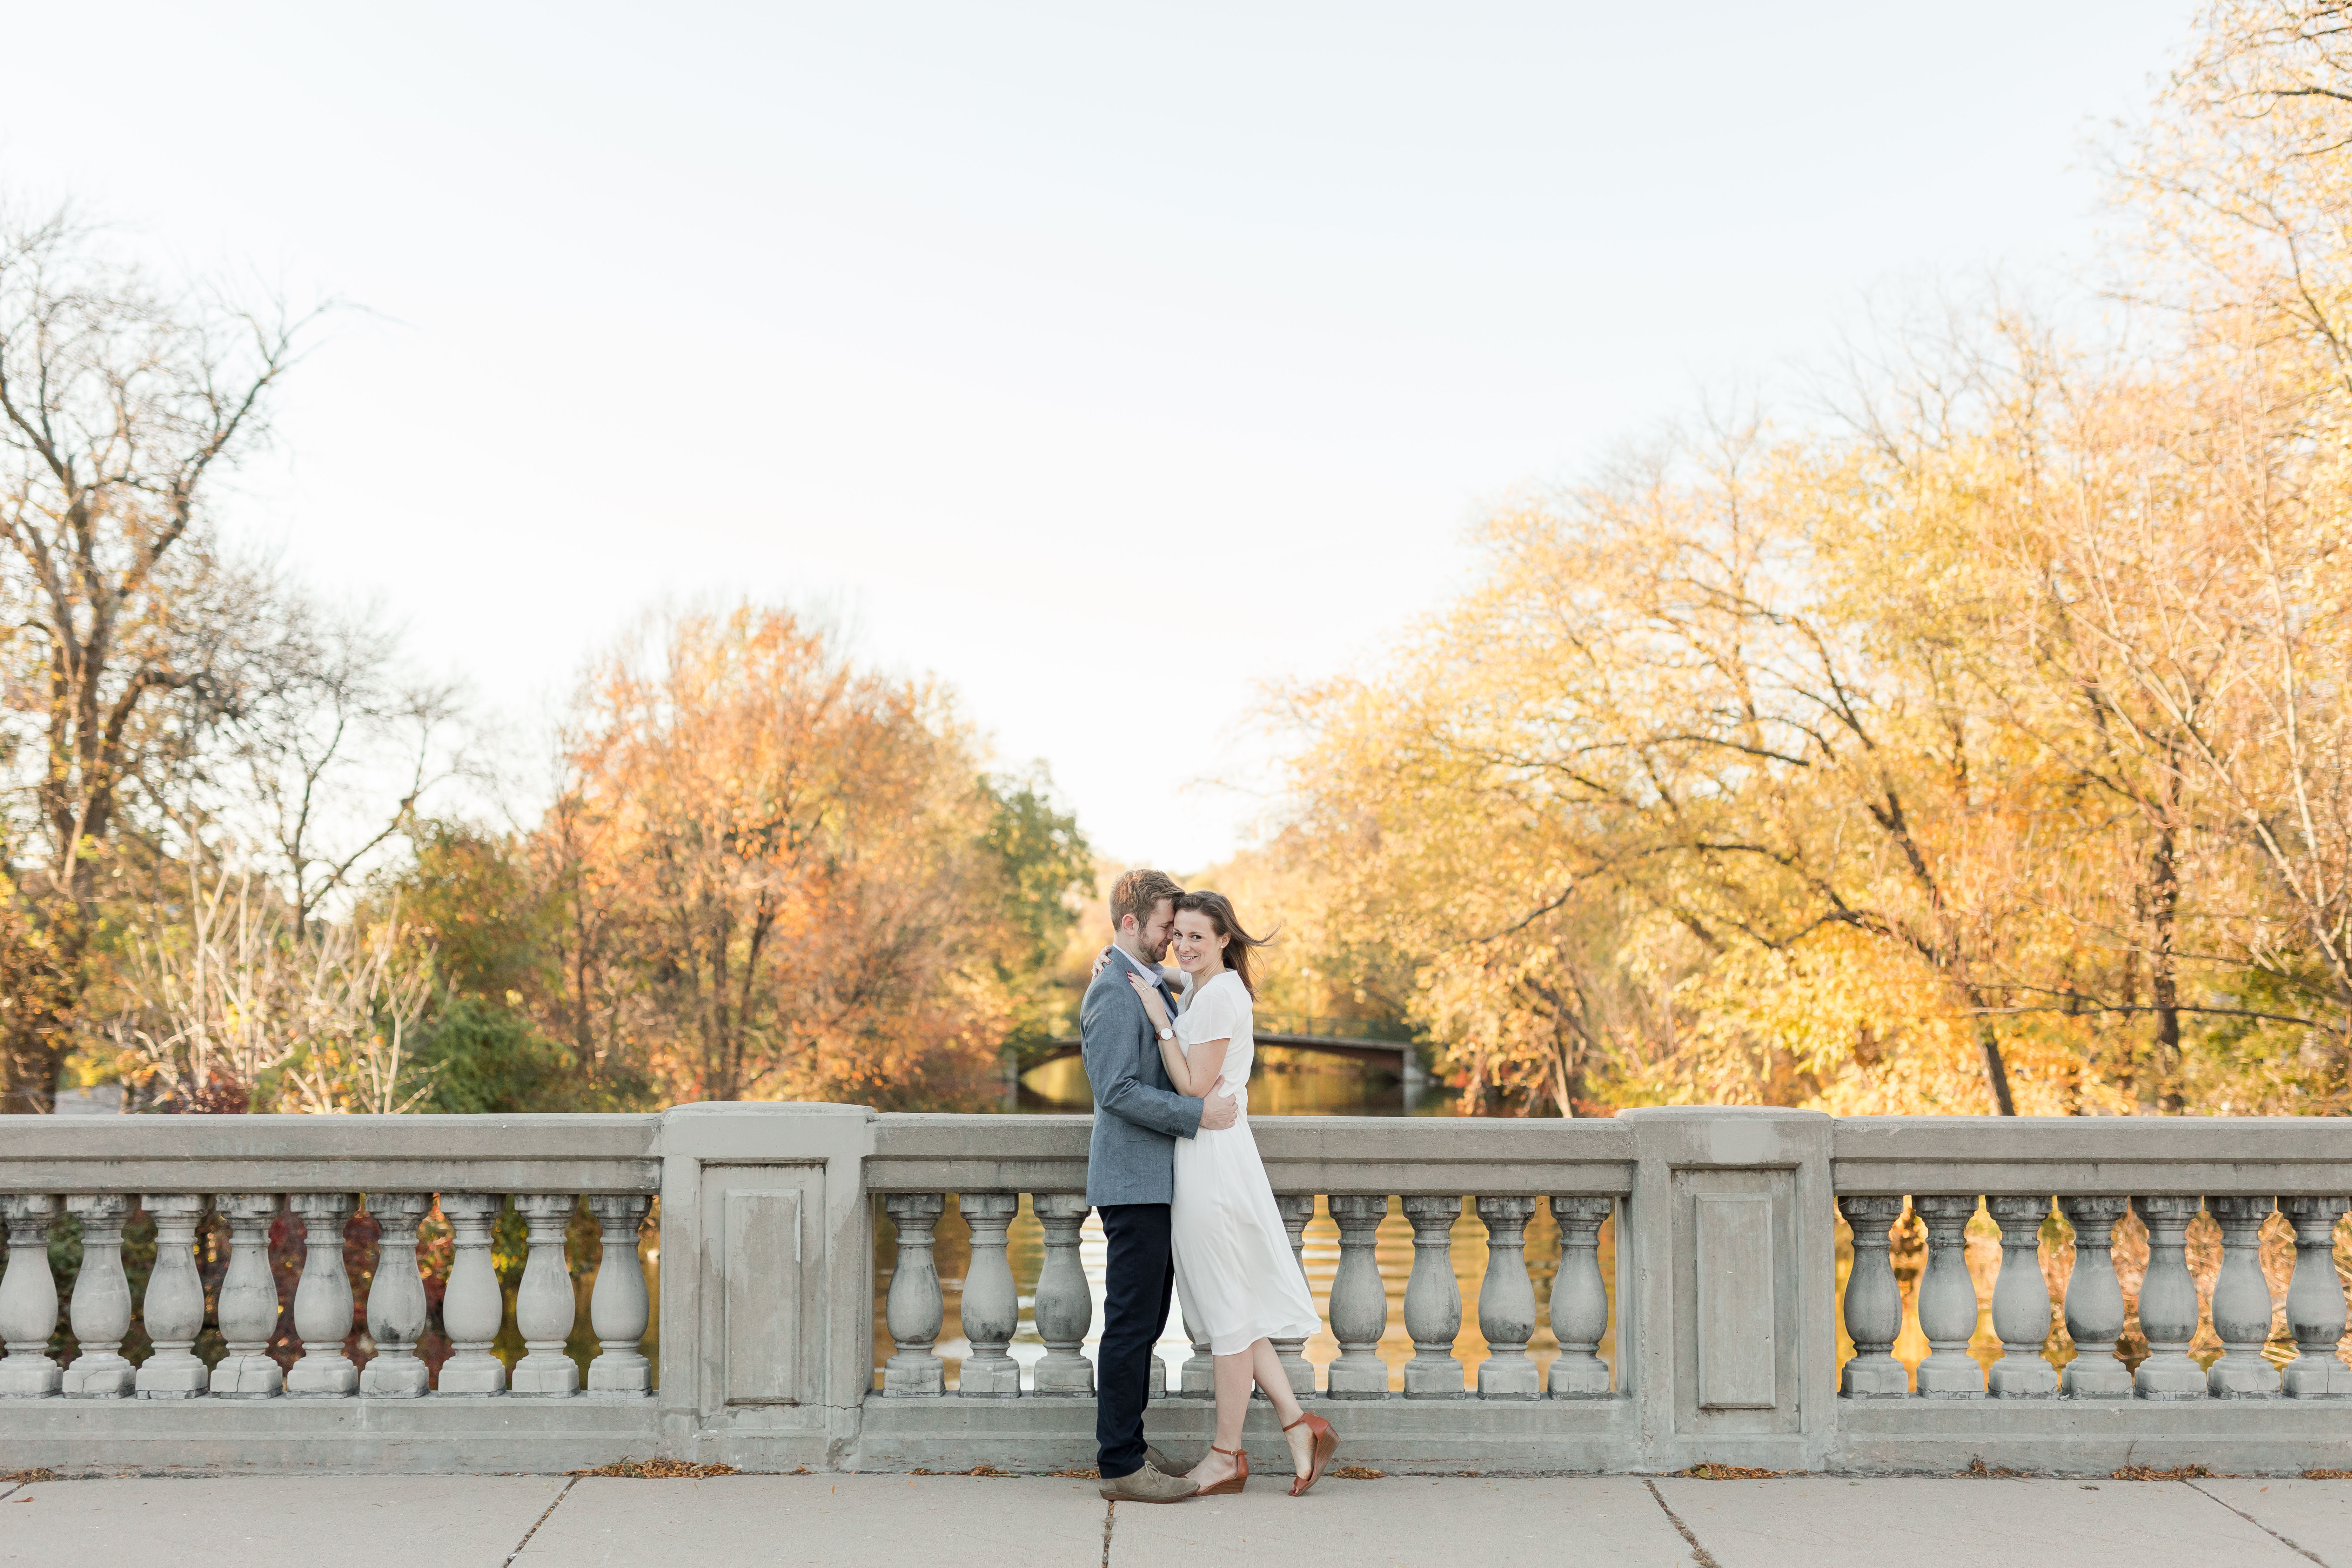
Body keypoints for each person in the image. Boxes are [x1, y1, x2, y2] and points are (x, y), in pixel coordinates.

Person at [1126, 890, 1340, 1499]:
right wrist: (1134, 968)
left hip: (1213, 1165)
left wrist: (1156, 1014)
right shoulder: (1205, 985)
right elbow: (1179, 976)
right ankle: (1301, 1424)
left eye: (1199, 936)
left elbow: (1194, 1085)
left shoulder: (1218, 996)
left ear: (1225, 939)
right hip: (1208, 1157)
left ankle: (1226, 1455)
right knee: (1236, 1312)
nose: (1185, 946)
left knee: (1225, 1315)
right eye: (1180, 935)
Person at [1083, 870, 1239, 1505]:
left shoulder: (1138, 978)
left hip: (1154, 1181)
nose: (1173, 938)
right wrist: (1195, 1115)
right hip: (1132, 1182)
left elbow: (1185, 992)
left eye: (1180, 929)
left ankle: (1131, 1442)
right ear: (1130, 924)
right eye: (1164, 927)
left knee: (1144, 1322)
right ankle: (1119, 1462)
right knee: (1128, 1324)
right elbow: (1115, 1090)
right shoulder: (1113, 993)